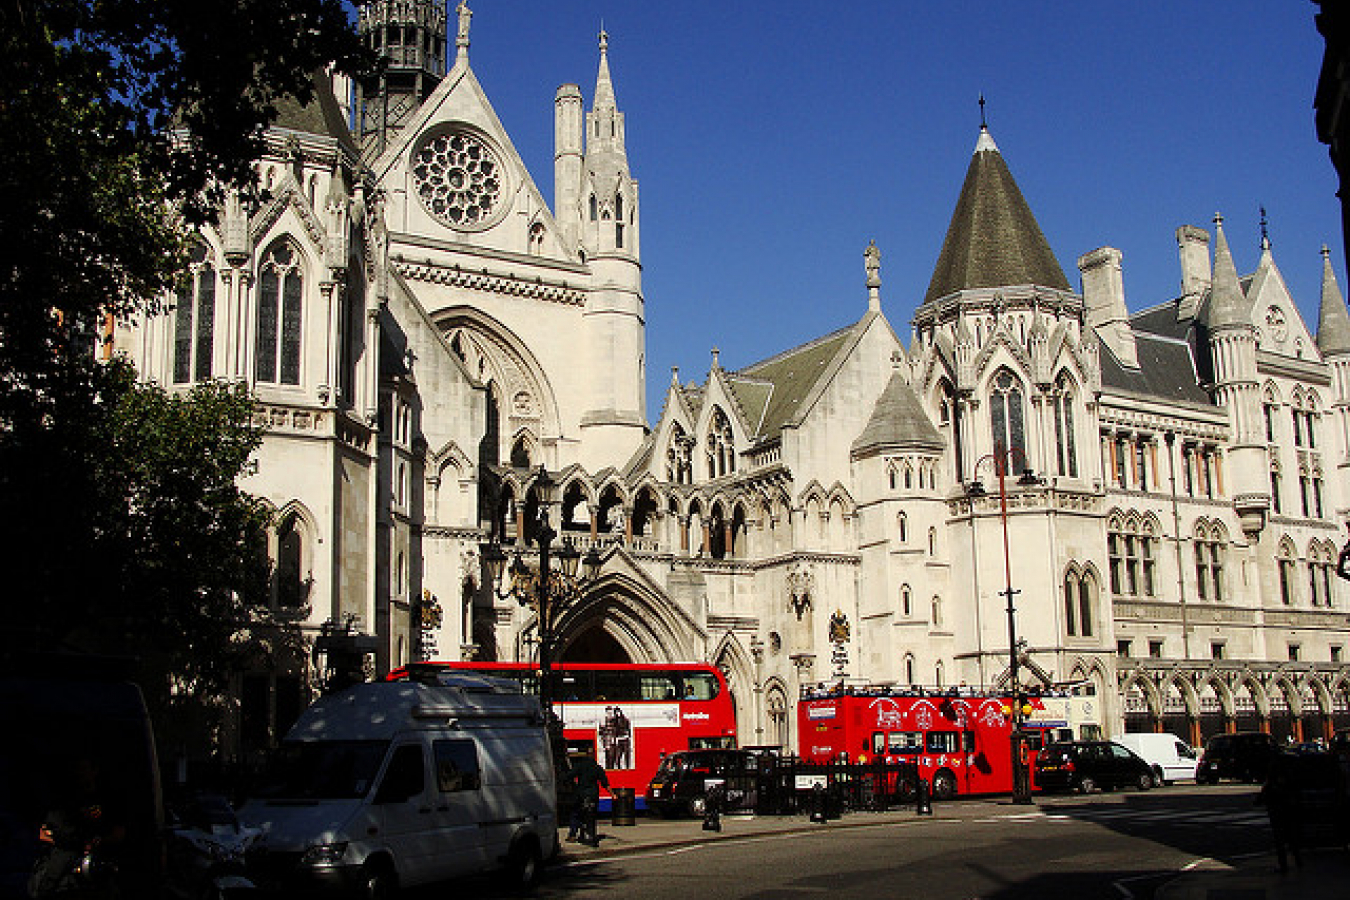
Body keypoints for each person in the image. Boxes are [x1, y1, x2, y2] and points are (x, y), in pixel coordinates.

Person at [565, 751, 609, 847]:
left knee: (576, 813)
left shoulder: (580, 765)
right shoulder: (597, 767)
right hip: (593, 795)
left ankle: (573, 834)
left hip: (581, 794)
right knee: (591, 817)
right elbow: (605, 782)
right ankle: (590, 836)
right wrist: (613, 794)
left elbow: (569, 776)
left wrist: (572, 786)